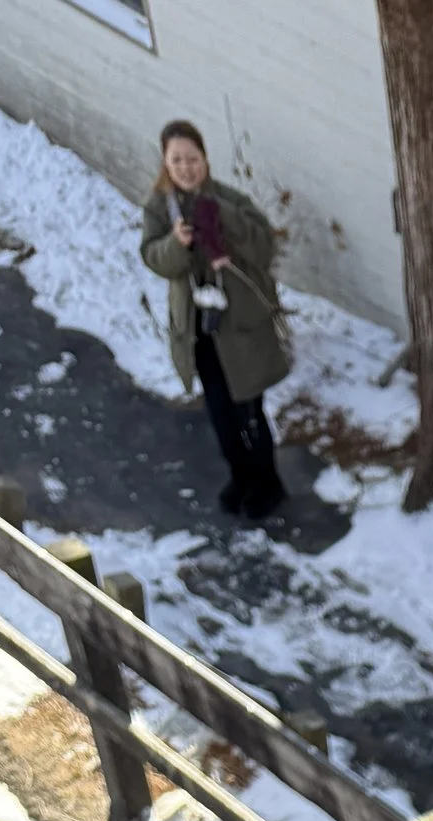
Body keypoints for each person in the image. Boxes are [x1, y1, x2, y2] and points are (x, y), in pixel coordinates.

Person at [139, 121, 291, 521]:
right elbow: (154, 258)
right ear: (165, 163)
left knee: (249, 410)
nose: (185, 168)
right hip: (200, 331)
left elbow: (263, 247)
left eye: (192, 159)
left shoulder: (230, 200)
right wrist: (177, 243)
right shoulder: (159, 209)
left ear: (205, 159)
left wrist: (224, 218)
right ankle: (241, 476)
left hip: (239, 329)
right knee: (220, 413)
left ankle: (268, 482)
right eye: (176, 160)